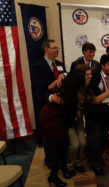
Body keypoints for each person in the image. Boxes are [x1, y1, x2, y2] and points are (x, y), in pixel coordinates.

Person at [85, 54, 109, 175]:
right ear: (102, 66)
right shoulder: (94, 77)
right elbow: (94, 100)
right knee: (95, 139)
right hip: (93, 113)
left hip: (106, 113)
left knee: (102, 138)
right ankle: (95, 164)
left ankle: (97, 158)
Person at [30, 39, 66, 168]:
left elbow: (64, 83)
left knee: (60, 133)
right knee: (48, 135)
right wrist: (51, 97)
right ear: (46, 49)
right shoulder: (37, 66)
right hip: (46, 104)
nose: (57, 50)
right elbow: (39, 88)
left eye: (58, 48)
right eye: (55, 47)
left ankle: (61, 158)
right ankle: (49, 159)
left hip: (61, 104)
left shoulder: (60, 64)